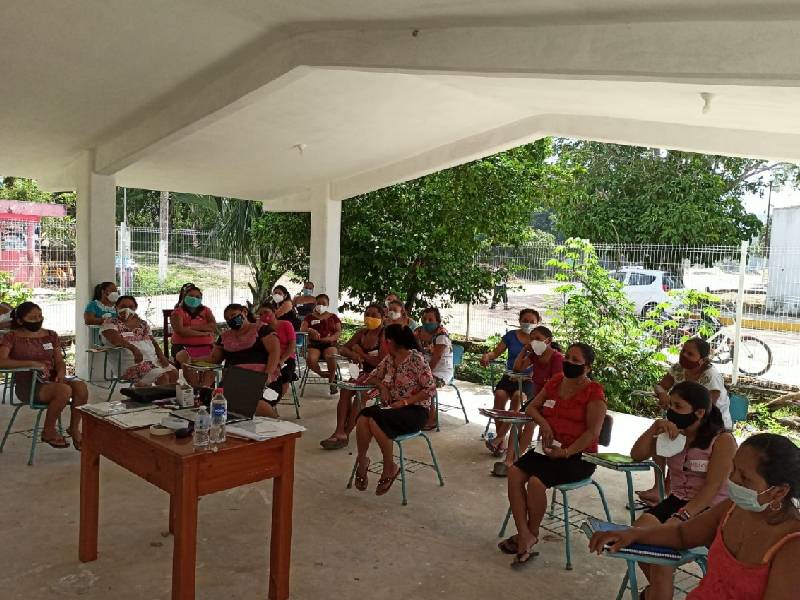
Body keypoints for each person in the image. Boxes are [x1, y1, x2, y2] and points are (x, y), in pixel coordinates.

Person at [589, 433, 800, 600]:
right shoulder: (732, 508)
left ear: (779, 491)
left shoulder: (792, 545)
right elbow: (682, 534)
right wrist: (633, 534)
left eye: (744, 477)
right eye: (734, 469)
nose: (732, 480)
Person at [625, 381, 736, 599]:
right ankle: (658, 591)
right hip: (678, 498)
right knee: (636, 537)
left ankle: (656, 593)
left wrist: (682, 516)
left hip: (710, 507)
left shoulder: (722, 440)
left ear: (699, 412)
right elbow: (636, 455)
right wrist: (653, 428)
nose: (671, 411)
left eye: (678, 407)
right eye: (670, 406)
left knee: (662, 545)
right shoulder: (671, 433)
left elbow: (712, 489)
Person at [500, 342, 606, 567]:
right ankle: (524, 533)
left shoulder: (594, 392)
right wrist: (544, 424)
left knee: (537, 483)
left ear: (587, 367)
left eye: (576, 360)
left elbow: (593, 433)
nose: (568, 362)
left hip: (579, 456)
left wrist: (566, 452)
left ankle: (532, 533)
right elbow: (531, 408)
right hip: (548, 448)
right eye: (567, 357)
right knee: (514, 473)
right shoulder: (556, 381)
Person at [638, 337, 732, 505]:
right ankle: (660, 487)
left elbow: (710, 406)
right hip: (686, 417)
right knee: (663, 441)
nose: (684, 356)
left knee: (684, 453)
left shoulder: (711, 376)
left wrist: (686, 424)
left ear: (702, 360)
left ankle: (674, 492)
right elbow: (661, 385)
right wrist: (663, 395)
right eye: (683, 351)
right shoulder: (678, 368)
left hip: (708, 423)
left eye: (690, 354)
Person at [352, 324, 436, 496]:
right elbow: (372, 376)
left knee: (376, 420)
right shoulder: (390, 359)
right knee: (363, 417)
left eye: (383, 340)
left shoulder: (416, 360)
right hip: (392, 407)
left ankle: (389, 466)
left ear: (389, 341)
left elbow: (430, 389)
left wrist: (406, 402)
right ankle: (362, 460)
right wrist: (382, 387)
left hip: (415, 411)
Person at [0, 302, 88, 449]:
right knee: (63, 390)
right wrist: (32, 364)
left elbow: (59, 361)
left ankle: (73, 428)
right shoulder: (11, 337)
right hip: (28, 385)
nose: (37, 320)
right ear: (21, 321)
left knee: (81, 387)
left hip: (51, 379)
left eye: (39, 316)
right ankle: (48, 430)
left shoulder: (50, 335)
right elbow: (2, 362)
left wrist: (61, 372)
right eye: (32, 318)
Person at [487, 325, 564, 476]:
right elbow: (517, 368)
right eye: (532, 338)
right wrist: (524, 350)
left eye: (538, 339)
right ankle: (509, 460)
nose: (534, 342)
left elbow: (556, 387)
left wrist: (541, 404)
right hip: (538, 399)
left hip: (553, 402)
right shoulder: (535, 356)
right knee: (517, 421)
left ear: (548, 341)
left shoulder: (557, 359)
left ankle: (515, 460)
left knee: (529, 424)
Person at [320, 304, 386, 449]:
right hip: (362, 374)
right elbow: (344, 348)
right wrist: (352, 354)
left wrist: (361, 354)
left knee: (360, 396)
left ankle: (345, 434)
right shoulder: (362, 333)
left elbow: (380, 362)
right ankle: (338, 431)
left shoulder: (384, 335)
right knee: (345, 391)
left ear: (383, 317)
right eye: (367, 314)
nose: (370, 318)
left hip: (380, 377)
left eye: (374, 315)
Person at [198, 303, 281, 418]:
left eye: (233, 315)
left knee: (255, 406)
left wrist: (267, 375)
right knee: (223, 404)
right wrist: (192, 362)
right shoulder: (224, 336)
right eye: (227, 318)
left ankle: (276, 427)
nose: (231, 319)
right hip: (233, 379)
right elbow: (213, 360)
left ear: (244, 312)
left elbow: (274, 352)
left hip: (260, 376)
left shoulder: (262, 329)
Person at [479, 309, 541, 459]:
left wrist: (531, 375)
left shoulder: (539, 341)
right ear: (519, 320)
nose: (528, 324)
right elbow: (496, 353)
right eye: (525, 320)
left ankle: (499, 439)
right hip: (509, 377)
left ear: (538, 323)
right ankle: (502, 441)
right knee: (499, 395)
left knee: (517, 399)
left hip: (528, 381)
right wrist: (487, 356)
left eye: (532, 321)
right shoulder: (511, 336)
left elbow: (543, 363)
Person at [100, 295, 178, 386]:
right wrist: (134, 350)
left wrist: (162, 356)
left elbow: (153, 342)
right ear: (116, 307)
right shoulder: (110, 323)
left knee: (173, 374)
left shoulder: (142, 323)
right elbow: (115, 340)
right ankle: (155, 396)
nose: (127, 309)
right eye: (123, 306)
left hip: (152, 360)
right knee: (162, 377)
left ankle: (151, 392)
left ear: (135, 308)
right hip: (130, 364)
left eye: (131, 307)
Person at [170, 284, 218, 387]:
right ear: (184, 297)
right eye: (191, 296)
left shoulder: (206, 310)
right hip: (182, 347)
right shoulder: (177, 312)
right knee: (186, 361)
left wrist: (190, 328)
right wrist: (203, 333)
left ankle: (205, 388)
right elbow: (180, 331)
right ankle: (195, 388)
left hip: (206, 346)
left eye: (197, 297)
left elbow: (213, 326)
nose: (194, 299)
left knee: (214, 360)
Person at [414, 307, 454, 430]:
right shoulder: (418, 332)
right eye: (424, 319)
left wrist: (422, 375)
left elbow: (436, 359)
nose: (427, 322)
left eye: (430, 319)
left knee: (425, 384)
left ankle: (432, 419)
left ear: (438, 321)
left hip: (441, 372)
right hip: (423, 369)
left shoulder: (441, 335)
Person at [299, 293, 342, 395]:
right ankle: (325, 375)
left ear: (328, 304)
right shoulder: (309, 317)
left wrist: (330, 338)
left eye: (324, 303)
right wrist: (310, 330)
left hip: (329, 344)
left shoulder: (333, 317)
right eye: (318, 303)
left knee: (332, 356)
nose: (321, 305)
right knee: (310, 359)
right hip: (314, 344)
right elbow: (302, 328)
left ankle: (332, 383)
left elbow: (338, 331)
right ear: (315, 304)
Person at [257, 304, 297, 400]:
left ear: (274, 311)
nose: (264, 315)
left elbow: (292, 346)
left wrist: (282, 360)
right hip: (269, 358)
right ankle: (263, 400)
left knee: (285, 376)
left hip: (286, 358)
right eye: (261, 314)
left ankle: (274, 402)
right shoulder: (261, 330)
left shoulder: (286, 324)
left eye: (266, 312)